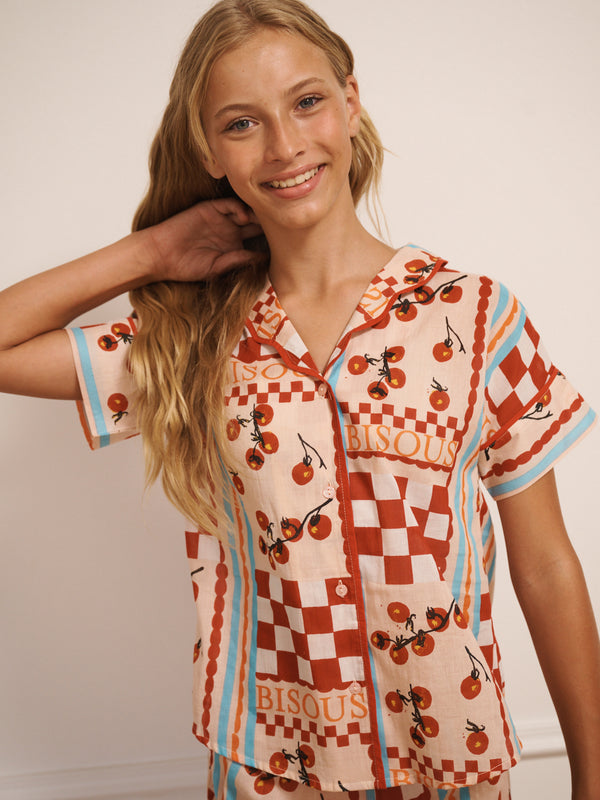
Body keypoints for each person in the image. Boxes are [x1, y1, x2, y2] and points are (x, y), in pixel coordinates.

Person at [1, 0, 599, 798]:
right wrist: (149, 251)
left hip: (450, 763)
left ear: (352, 101)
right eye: (241, 123)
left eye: (306, 102)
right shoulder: (191, 341)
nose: (285, 146)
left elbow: (548, 564)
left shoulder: (476, 317)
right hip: (270, 771)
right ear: (209, 150)